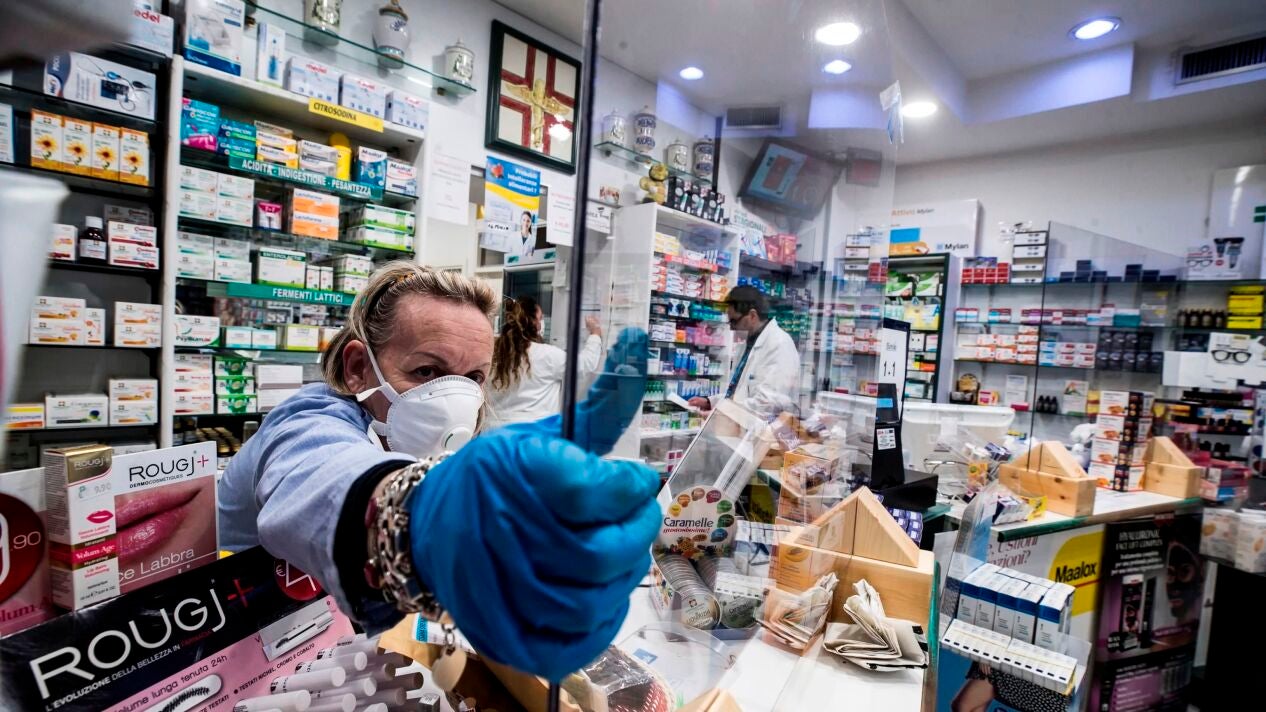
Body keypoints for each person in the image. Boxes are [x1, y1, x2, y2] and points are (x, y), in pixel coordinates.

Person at [217, 262, 658, 682]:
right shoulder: (307, 420)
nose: (453, 400)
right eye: (426, 371)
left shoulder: (425, 447)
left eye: (473, 378)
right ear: (358, 368)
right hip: (222, 661)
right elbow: (324, 474)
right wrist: (423, 518)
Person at [485, 296, 603, 428]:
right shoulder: (547, 355)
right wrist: (595, 334)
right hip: (532, 432)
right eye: (540, 318)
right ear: (533, 322)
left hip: (493, 431)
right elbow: (585, 364)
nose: (542, 323)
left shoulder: (492, 353)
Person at [689, 285, 800, 415]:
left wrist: (723, 413)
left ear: (752, 316)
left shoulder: (779, 344)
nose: (731, 327)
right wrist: (710, 402)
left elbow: (768, 403)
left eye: (734, 321)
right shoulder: (747, 344)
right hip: (742, 424)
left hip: (765, 426)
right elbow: (738, 393)